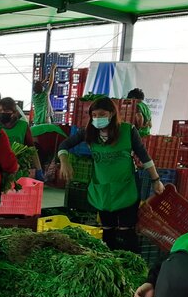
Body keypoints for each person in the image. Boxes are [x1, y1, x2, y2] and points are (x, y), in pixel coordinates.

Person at [57, 97, 164, 253]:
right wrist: (64, 162)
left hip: (127, 187)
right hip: (103, 189)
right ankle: (110, 262)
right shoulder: (88, 132)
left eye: (102, 114)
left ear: (112, 114)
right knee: (107, 231)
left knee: (126, 230)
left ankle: (131, 263)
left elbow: (144, 157)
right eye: (94, 115)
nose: (98, 118)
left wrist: (156, 180)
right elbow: (64, 145)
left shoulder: (128, 130)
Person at [0, 97, 43, 179]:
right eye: (0, 110)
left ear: (13, 112)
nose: (2, 113)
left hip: (18, 166)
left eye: (6, 111)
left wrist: (39, 169)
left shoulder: (23, 126)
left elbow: (31, 148)